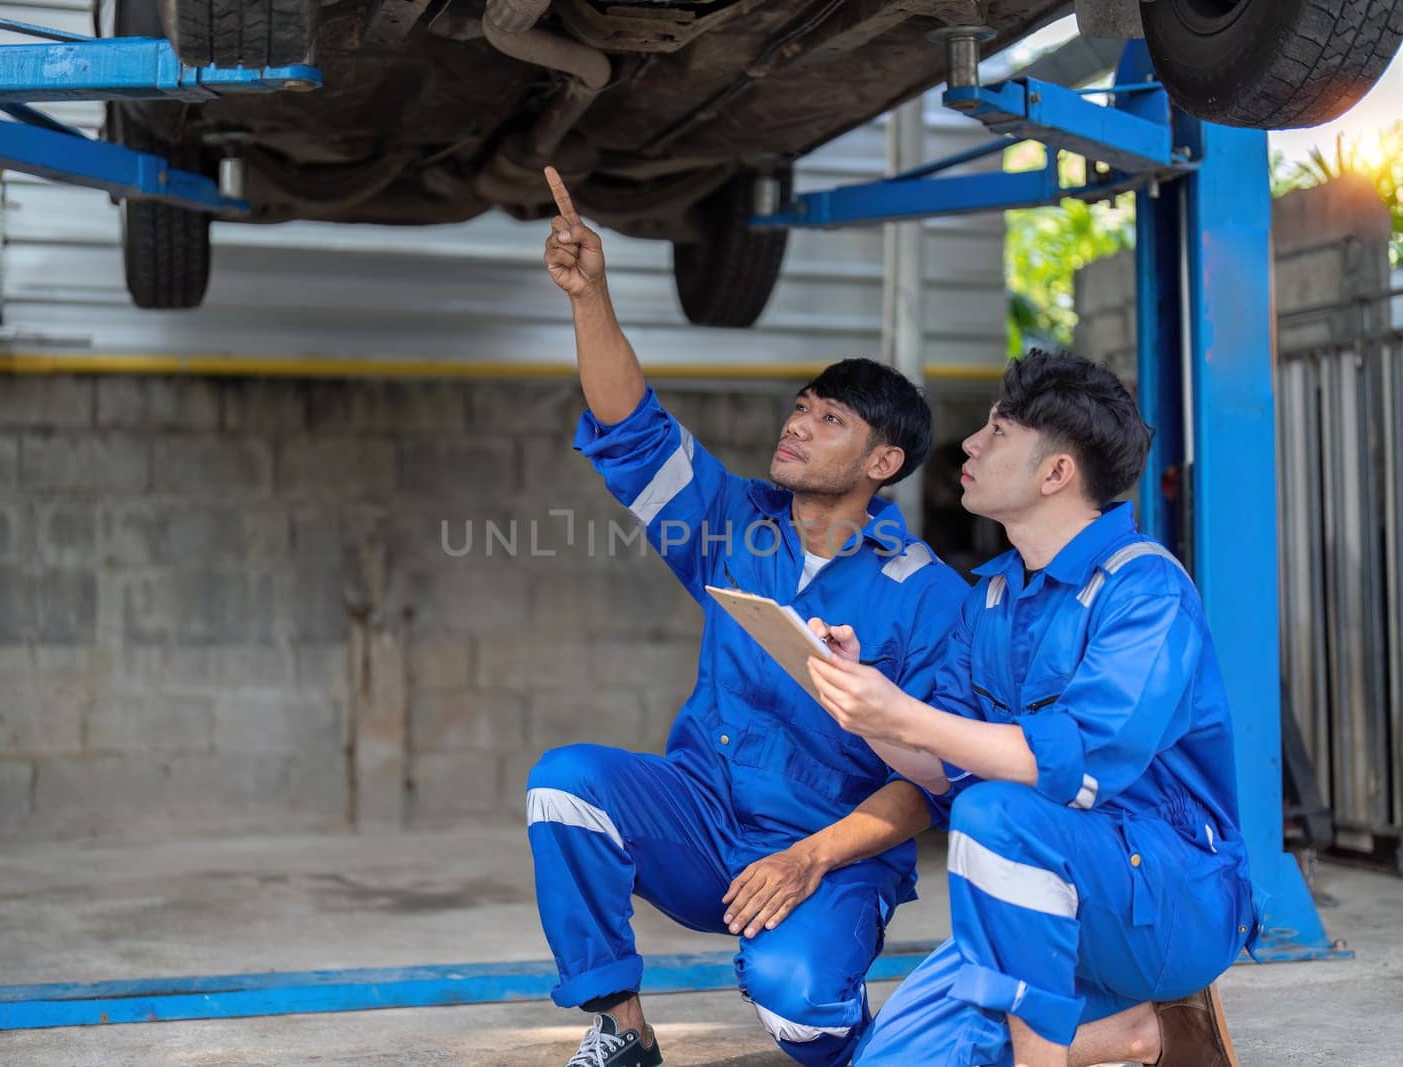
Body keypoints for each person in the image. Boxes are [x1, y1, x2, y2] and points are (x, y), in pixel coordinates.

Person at [527, 166, 971, 1067]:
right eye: (801, 407)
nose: (798, 425)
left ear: (883, 460)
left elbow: (929, 786)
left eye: (830, 419)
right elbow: (633, 431)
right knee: (564, 785)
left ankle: (858, 1045)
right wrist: (591, 295)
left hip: (826, 849)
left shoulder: (928, 597)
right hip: (701, 816)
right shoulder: (733, 522)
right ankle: (622, 1030)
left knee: (800, 1006)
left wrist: (808, 859)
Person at [806, 350, 1255, 1067]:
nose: (971, 446)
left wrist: (902, 714)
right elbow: (943, 767)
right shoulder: (991, 598)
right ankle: (1152, 1032)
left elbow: (1075, 761)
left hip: (1168, 901)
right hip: (1042, 899)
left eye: (998, 432)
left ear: (1055, 474)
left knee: (998, 817)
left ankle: (1097, 1025)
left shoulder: (1144, 590)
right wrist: (859, 703)